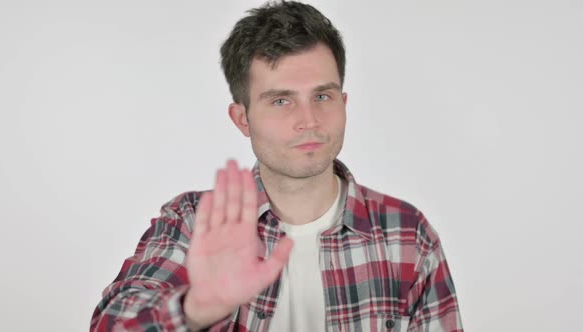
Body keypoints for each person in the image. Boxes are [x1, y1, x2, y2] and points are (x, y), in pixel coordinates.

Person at [90, 1, 463, 331]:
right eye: (281, 101)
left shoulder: (409, 233)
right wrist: (196, 309)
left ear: (343, 102)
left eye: (322, 95)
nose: (309, 120)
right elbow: (113, 323)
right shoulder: (193, 221)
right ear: (242, 119)